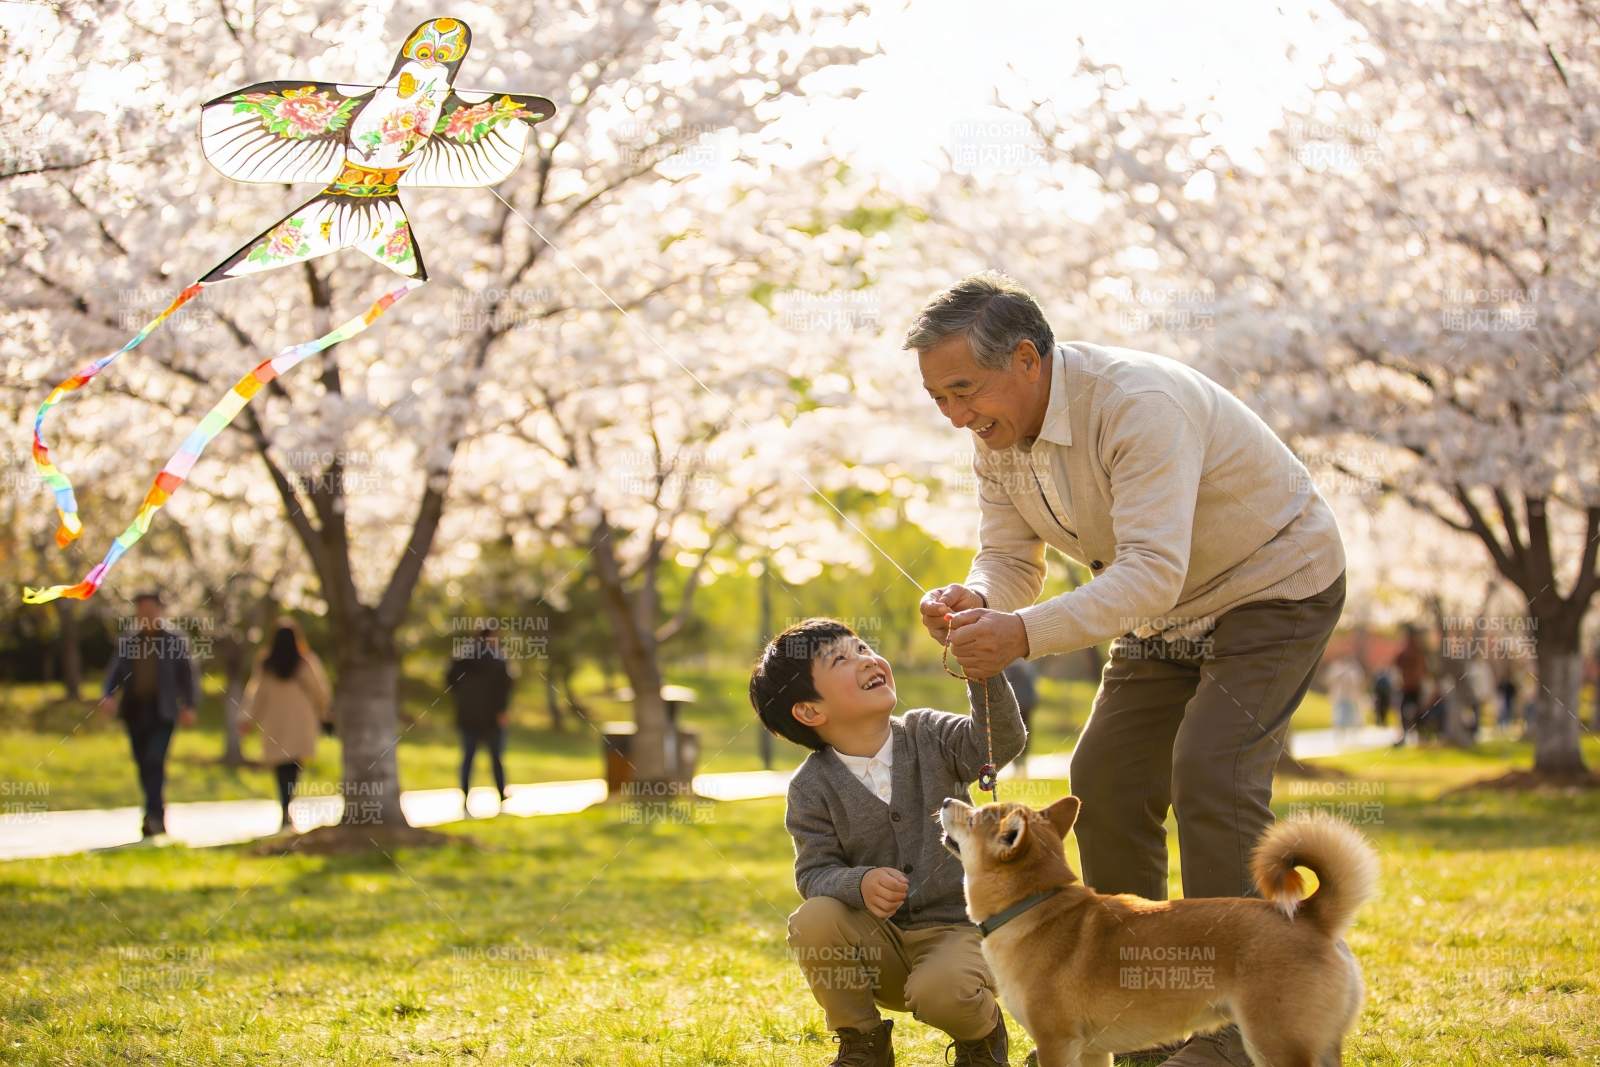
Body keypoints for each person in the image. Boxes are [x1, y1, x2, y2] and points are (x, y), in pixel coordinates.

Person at [907, 271, 1346, 1067]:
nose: (958, 416)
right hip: (1161, 612)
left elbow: (1149, 568)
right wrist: (976, 597)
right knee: (1103, 775)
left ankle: (1234, 1026)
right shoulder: (997, 440)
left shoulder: (1137, 404)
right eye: (940, 400)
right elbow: (1010, 555)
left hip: (1272, 583)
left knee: (1209, 768)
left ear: (1029, 360)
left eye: (965, 391)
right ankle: (1142, 1007)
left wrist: (1018, 633)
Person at [751, 617, 1025, 1067]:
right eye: (841, 658)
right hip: (883, 948)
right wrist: (859, 884)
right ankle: (863, 1041)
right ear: (810, 711)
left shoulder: (928, 734)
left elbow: (999, 743)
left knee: (942, 992)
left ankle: (982, 1036)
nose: (867, 659)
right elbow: (813, 873)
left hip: (961, 935)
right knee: (814, 919)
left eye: (862, 648)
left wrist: (983, 671)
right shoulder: (811, 787)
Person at [96, 591, 200, 839]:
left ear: (160, 611)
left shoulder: (174, 639)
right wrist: (108, 695)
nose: (146, 616)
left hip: (163, 710)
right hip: (135, 710)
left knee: (155, 759)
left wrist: (190, 705)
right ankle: (153, 811)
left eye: (150, 610)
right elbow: (114, 672)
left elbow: (188, 675)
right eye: (141, 611)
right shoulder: (129, 640)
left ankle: (154, 815)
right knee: (143, 762)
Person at [240, 617, 332, 832]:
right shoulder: (305, 661)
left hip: (275, 721)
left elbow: (256, 693)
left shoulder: (266, 662)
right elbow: (320, 691)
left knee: (280, 765)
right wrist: (324, 712)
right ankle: (288, 803)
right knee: (293, 765)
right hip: (300, 720)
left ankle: (284, 805)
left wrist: (247, 718)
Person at [447, 628, 513, 815]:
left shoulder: (462, 658)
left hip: (468, 716)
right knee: (496, 758)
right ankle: (501, 795)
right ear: (490, 638)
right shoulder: (497, 660)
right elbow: (505, 688)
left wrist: (463, 701)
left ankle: (465, 799)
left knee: (468, 759)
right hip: (492, 718)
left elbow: (450, 681)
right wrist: (501, 711)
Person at [1392, 625, 1429, 745]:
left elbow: (1423, 669)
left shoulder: (1419, 652)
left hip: (1415, 686)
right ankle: (1404, 736)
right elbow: (1396, 663)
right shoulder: (1405, 652)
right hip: (1406, 686)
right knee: (1403, 711)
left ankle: (1420, 735)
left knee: (1419, 711)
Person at [1000, 657, 1038, 759]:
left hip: (1014, 704)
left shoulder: (1007, 667)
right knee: (1026, 729)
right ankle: (1023, 754)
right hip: (1026, 703)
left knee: (1013, 730)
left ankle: (1016, 755)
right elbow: (1033, 685)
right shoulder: (1027, 667)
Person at [1323, 655, 1365, 735]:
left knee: (1352, 713)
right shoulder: (1336, 668)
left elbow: (1358, 681)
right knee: (1338, 713)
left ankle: (1353, 730)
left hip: (1351, 696)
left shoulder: (1354, 669)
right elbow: (1329, 680)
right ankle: (1339, 730)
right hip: (1339, 696)